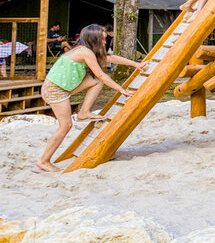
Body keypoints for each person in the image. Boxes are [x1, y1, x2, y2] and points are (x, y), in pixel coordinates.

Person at [34, 24, 143, 173]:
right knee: (65, 126)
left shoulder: (87, 51)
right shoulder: (85, 53)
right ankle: (43, 161)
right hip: (55, 90)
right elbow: (101, 75)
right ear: (94, 39)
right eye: (103, 40)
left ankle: (84, 112)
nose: (105, 43)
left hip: (62, 87)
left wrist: (135, 64)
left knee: (96, 82)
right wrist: (120, 89)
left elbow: (110, 58)